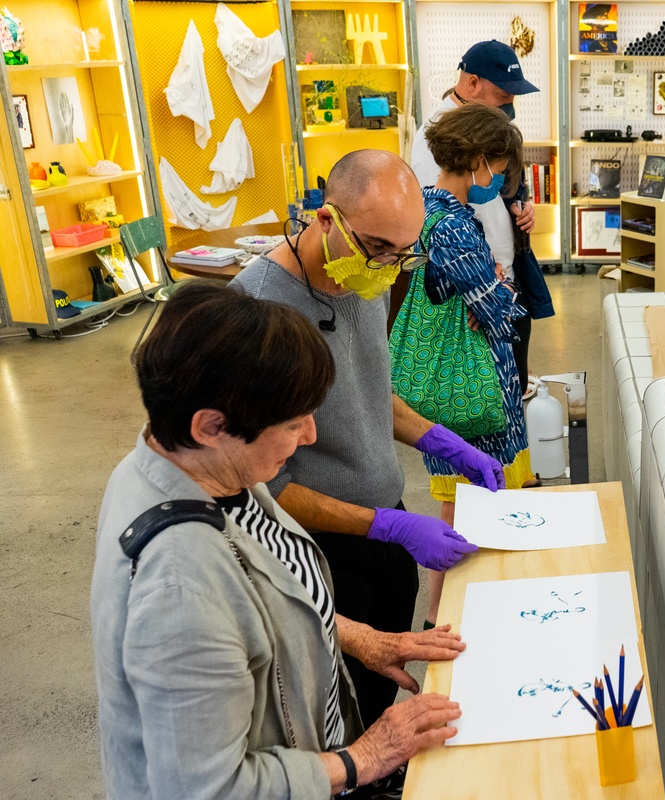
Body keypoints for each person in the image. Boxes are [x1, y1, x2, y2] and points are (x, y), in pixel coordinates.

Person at [91, 282, 465, 798]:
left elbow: (256, 608)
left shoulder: (190, 465)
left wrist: (357, 638)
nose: (310, 437)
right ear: (211, 426)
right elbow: (211, 788)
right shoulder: (179, 586)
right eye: (292, 423)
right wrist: (365, 757)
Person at [230, 149, 503, 729]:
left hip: (384, 525)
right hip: (315, 548)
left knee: (383, 684)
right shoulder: (254, 313)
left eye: (404, 253)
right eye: (378, 247)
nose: (389, 265)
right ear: (325, 218)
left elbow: (370, 390)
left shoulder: (367, 276)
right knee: (327, 707)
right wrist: (387, 524)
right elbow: (259, 486)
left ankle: (375, 772)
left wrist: (441, 441)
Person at [394, 102, 535, 628]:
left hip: (454, 380)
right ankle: (458, 612)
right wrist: (501, 286)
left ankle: (442, 612)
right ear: (478, 160)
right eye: (498, 171)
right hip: (474, 388)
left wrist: (493, 285)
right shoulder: (452, 224)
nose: (498, 183)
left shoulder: (428, 207)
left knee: (460, 505)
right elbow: (499, 307)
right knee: (478, 504)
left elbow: (483, 291)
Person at [407, 39, 555, 400]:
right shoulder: (438, 136)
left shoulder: (484, 135)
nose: (510, 107)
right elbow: (434, 227)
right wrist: (479, 295)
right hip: (479, 289)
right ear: (472, 83)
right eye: (503, 97)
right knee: (487, 405)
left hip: (500, 280)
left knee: (511, 386)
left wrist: (521, 207)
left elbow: (499, 190)